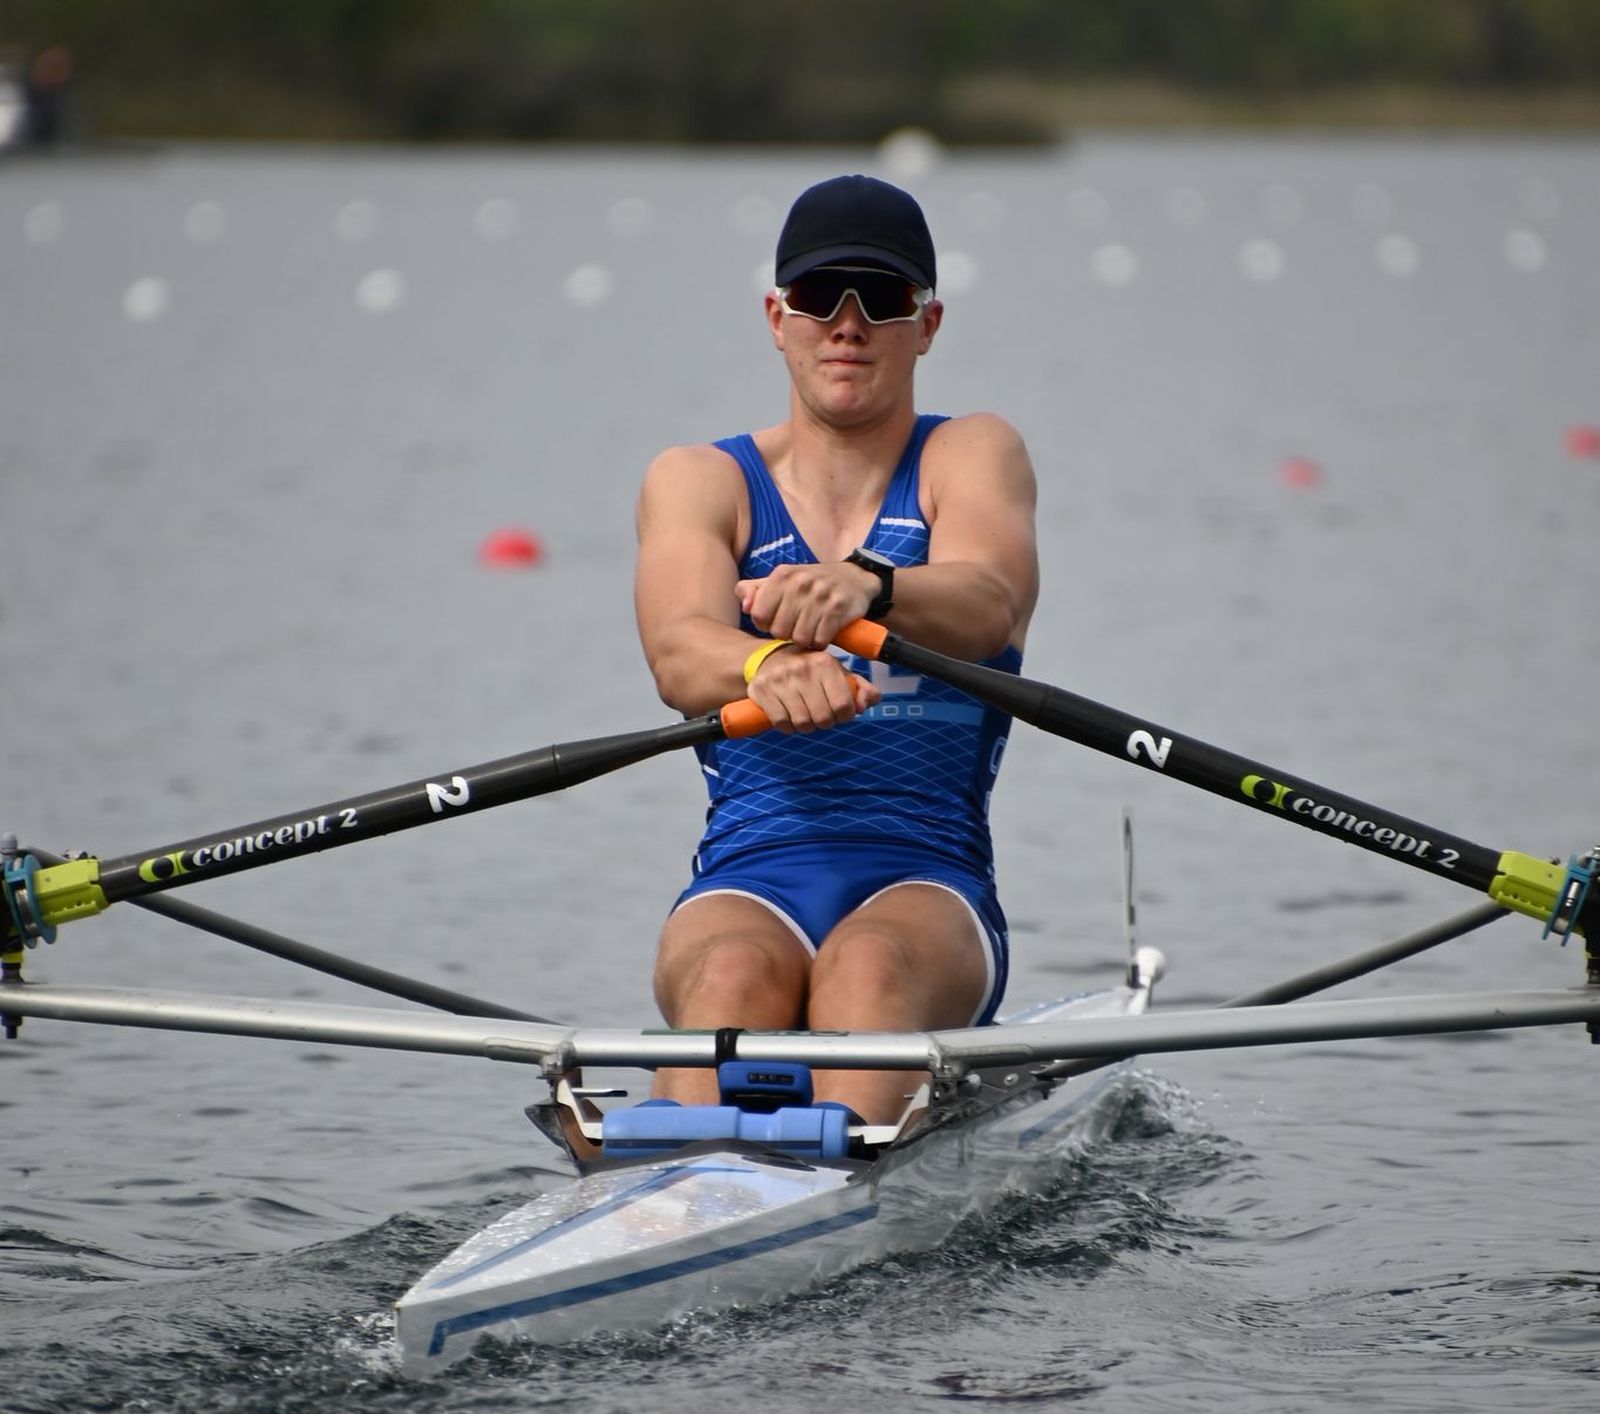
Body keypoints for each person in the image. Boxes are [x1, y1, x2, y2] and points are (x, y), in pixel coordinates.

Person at [633, 174, 1039, 1124]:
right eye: (820, 296)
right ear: (778, 318)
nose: (847, 325)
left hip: (928, 880)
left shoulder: (969, 453)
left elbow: (989, 602)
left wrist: (872, 585)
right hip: (748, 876)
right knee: (730, 975)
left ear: (927, 324)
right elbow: (679, 656)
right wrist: (764, 665)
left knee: (867, 964)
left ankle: (833, 1177)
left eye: (882, 298)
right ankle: (674, 1185)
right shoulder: (700, 479)